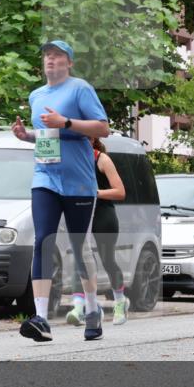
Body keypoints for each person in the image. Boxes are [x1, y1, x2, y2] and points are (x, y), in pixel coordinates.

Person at [12, 39, 110, 341]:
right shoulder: (36, 95)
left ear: (69, 62)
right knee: (43, 240)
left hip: (78, 181)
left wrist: (65, 121)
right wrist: (27, 136)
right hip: (45, 178)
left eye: (57, 56)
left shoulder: (80, 89)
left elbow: (102, 128)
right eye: (47, 56)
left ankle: (93, 309)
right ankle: (40, 317)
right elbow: (47, 136)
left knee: (80, 248)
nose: (50, 60)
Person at [66, 137, 129, 326]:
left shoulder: (102, 159)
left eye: (86, 136)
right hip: (81, 211)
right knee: (81, 257)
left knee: (107, 258)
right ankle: (79, 306)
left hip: (103, 213)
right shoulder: (72, 158)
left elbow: (120, 191)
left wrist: (95, 192)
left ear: (93, 138)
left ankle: (120, 301)